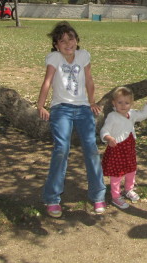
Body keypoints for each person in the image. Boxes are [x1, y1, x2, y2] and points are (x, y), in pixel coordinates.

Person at [37, 21, 106, 218]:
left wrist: (92, 102)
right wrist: (40, 105)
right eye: (62, 41)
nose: (68, 43)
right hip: (61, 109)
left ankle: (98, 195)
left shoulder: (84, 55)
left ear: (77, 40)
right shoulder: (54, 58)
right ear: (56, 45)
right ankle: (52, 197)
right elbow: (47, 81)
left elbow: (89, 80)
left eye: (71, 39)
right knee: (61, 149)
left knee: (91, 148)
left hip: (83, 108)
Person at [100, 87, 147, 209]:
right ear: (114, 103)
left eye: (127, 103)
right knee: (117, 173)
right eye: (120, 102)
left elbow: (143, 114)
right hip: (117, 149)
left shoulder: (132, 114)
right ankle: (115, 196)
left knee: (131, 170)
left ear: (131, 104)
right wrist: (108, 138)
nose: (123, 105)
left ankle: (128, 189)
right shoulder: (112, 116)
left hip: (129, 149)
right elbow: (105, 130)